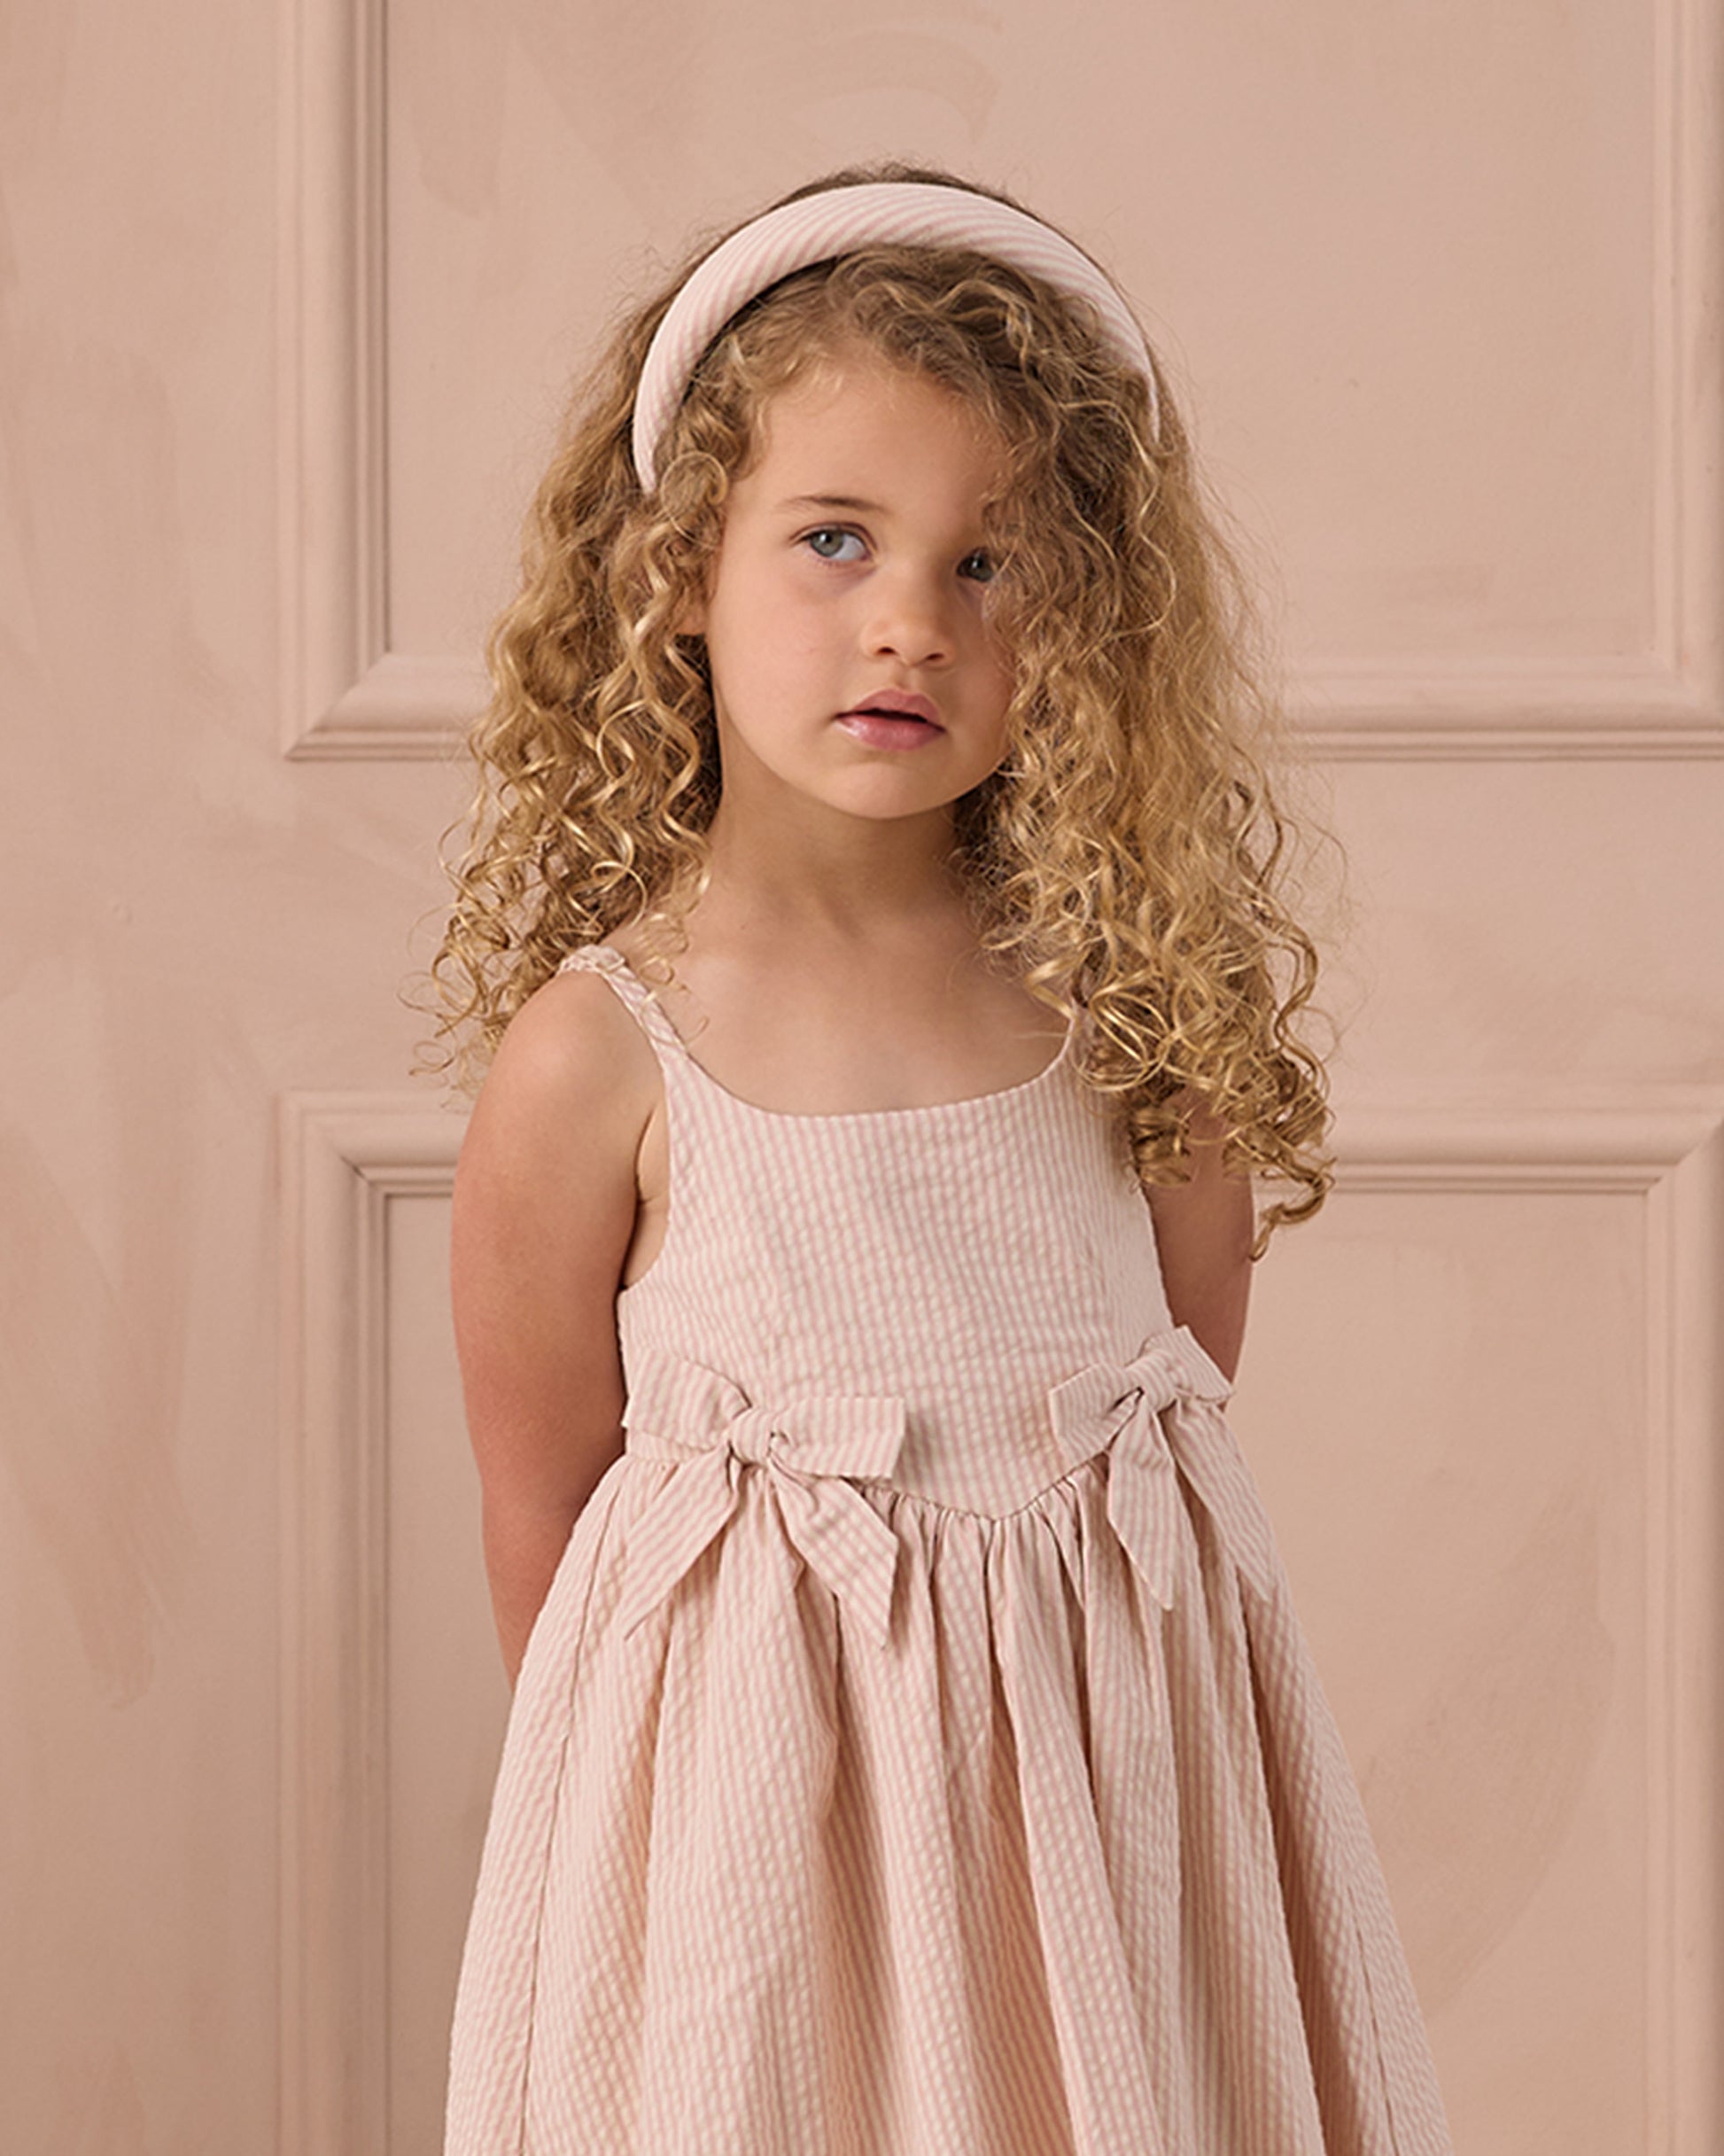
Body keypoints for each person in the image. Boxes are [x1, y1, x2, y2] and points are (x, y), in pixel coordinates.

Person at [419, 160, 1455, 2155]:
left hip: (1106, 1802)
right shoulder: (601, 1057)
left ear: (1079, 621)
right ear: (678, 574)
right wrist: (641, 1857)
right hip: (761, 1842)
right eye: (832, 537)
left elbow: (1181, 1388)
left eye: (988, 564)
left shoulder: (1133, 1008)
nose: (906, 619)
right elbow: (544, 1517)